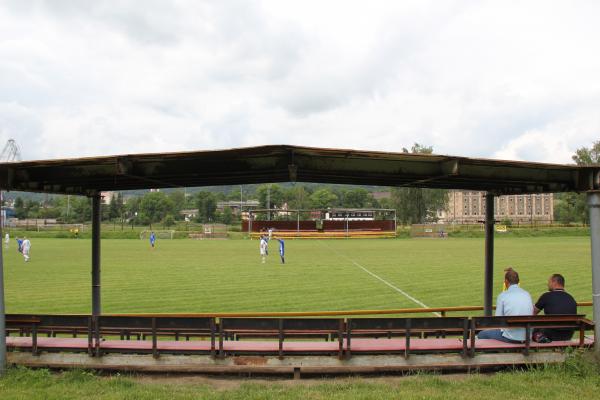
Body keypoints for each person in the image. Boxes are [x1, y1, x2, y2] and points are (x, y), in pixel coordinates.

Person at [477, 267, 533, 343]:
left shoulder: (503, 296)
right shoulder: (527, 294)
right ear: (518, 281)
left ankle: (496, 353)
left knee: (481, 334)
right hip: (527, 336)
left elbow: (497, 320)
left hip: (511, 337)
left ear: (506, 281)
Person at [533, 274, 577, 341]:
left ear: (554, 282)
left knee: (533, 327)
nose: (547, 284)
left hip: (551, 334)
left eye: (549, 282)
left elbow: (533, 312)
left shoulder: (546, 296)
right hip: (568, 335)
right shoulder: (571, 298)